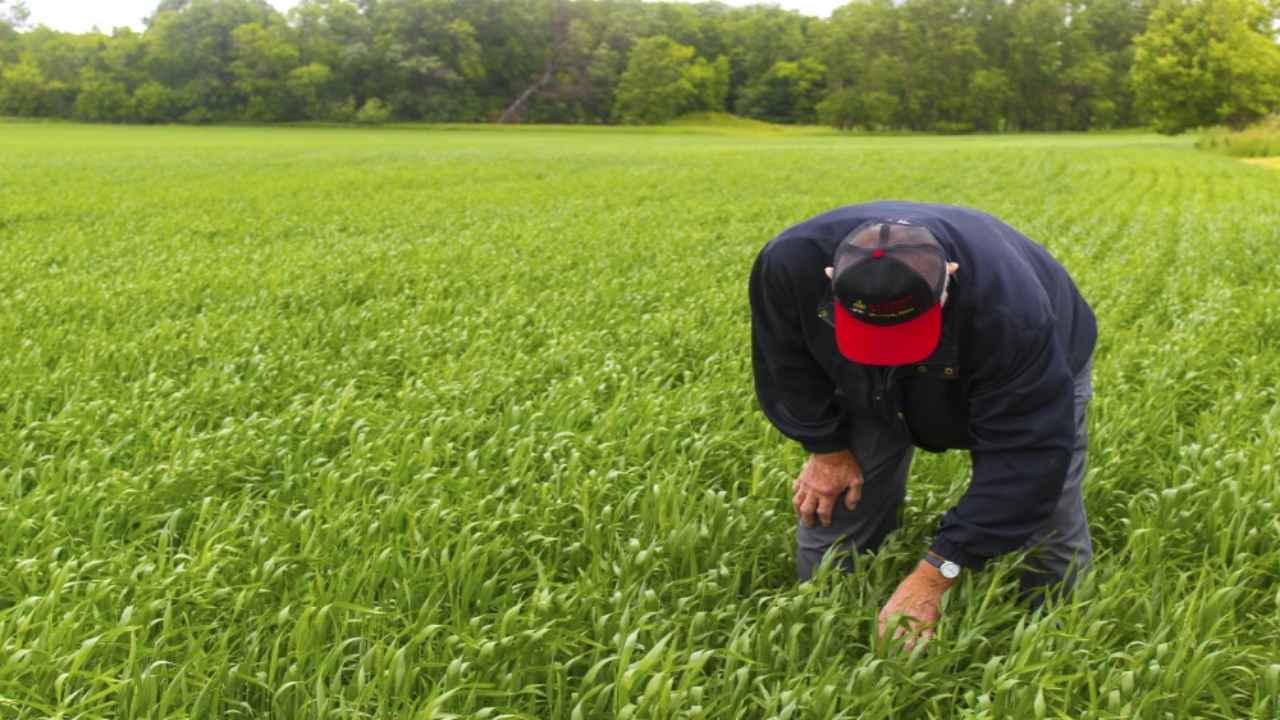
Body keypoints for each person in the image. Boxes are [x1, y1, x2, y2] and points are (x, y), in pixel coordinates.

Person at [748, 201, 1096, 646]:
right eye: (877, 337)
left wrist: (936, 574)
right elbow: (785, 366)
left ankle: (1055, 638)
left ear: (948, 277)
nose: (896, 354)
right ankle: (825, 625)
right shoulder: (790, 264)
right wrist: (827, 449)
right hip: (862, 382)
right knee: (837, 501)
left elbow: (1026, 460)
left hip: (1016, 361)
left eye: (904, 336)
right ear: (831, 281)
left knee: (1048, 511)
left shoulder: (1011, 313)